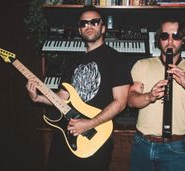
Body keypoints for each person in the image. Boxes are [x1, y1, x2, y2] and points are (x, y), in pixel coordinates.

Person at [26, 5, 132, 171]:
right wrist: (37, 97)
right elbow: (62, 96)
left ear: (103, 28)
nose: (89, 26)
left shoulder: (116, 59)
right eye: (84, 24)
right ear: (79, 30)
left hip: (94, 136)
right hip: (65, 134)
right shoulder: (72, 61)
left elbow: (120, 102)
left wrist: (89, 124)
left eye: (94, 22)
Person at [127, 17, 185, 171]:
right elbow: (131, 100)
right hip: (142, 144)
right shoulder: (142, 65)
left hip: (175, 147)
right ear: (159, 39)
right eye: (165, 36)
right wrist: (150, 96)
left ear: (184, 39)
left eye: (176, 36)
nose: (170, 41)